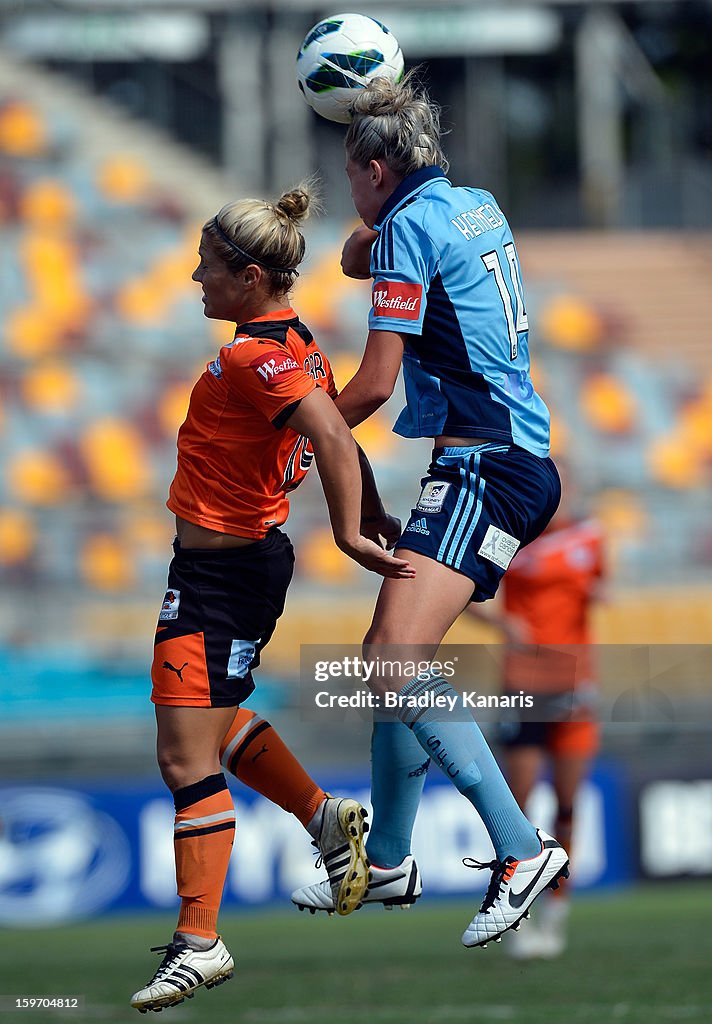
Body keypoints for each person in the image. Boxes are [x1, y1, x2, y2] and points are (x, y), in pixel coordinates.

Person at [291, 72, 569, 948]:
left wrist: (304, 439)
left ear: (374, 166)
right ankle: (391, 861)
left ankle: (522, 853)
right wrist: (364, 245)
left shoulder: (408, 227)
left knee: (388, 660)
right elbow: (372, 249)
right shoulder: (473, 204)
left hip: (484, 462)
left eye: (350, 170)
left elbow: (373, 383)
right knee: (391, 665)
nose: (348, 187)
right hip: (514, 453)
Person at [131, 183, 414, 1014]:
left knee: (185, 760)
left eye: (208, 265)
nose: (195, 277)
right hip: (231, 571)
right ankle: (324, 819)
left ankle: (199, 941)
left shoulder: (260, 358)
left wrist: (355, 530)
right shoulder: (295, 344)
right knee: (207, 729)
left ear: (249, 276)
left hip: (224, 579)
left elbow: (329, 430)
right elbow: (335, 416)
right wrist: (372, 507)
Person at [466, 470, 605, 957]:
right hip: (522, 683)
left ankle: (556, 915)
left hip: (574, 682)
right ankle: (512, 910)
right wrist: (503, 620)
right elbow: (465, 590)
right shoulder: (511, 537)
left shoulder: (589, 540)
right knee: (516, 806)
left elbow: (599, 594)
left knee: (568, 804)